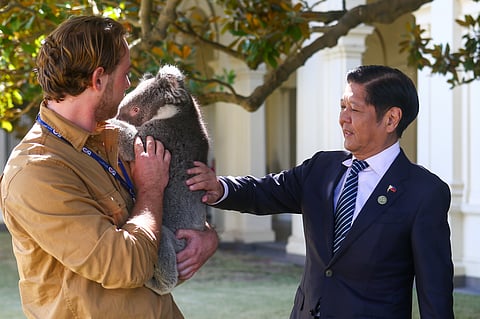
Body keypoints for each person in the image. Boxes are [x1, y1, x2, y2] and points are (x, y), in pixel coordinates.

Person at [187, 65, 454, 318]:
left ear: (391, 119)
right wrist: (220, 187)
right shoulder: (322, 168)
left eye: (355, 109)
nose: (343, 118)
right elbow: (263, 191)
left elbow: (435, 296)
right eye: (342, 107)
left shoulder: (424, 193)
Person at [0, 16, 218, 319]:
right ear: (98, 79)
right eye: (125, 74)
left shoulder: (115, 137)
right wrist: (151, 188)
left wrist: (206, 236)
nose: (129, 85)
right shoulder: (36, 172)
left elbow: (168, 207)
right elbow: (125, 266)